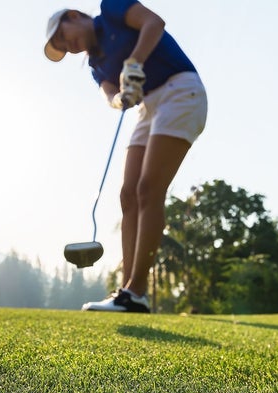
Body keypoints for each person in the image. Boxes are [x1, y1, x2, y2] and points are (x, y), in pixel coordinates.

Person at [44, 0, 207, 313]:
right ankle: (128, 293)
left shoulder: (112, 9)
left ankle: (136, 290)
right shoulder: (96, 65)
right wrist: (122, 97)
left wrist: (134, 62)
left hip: (180, 90)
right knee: (128, 194)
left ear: (73, 16)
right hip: (149, 107)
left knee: (148, 189)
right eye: (63, 49)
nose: (69, 47)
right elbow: (110, 95)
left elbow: (154, 22)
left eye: (64, 38)